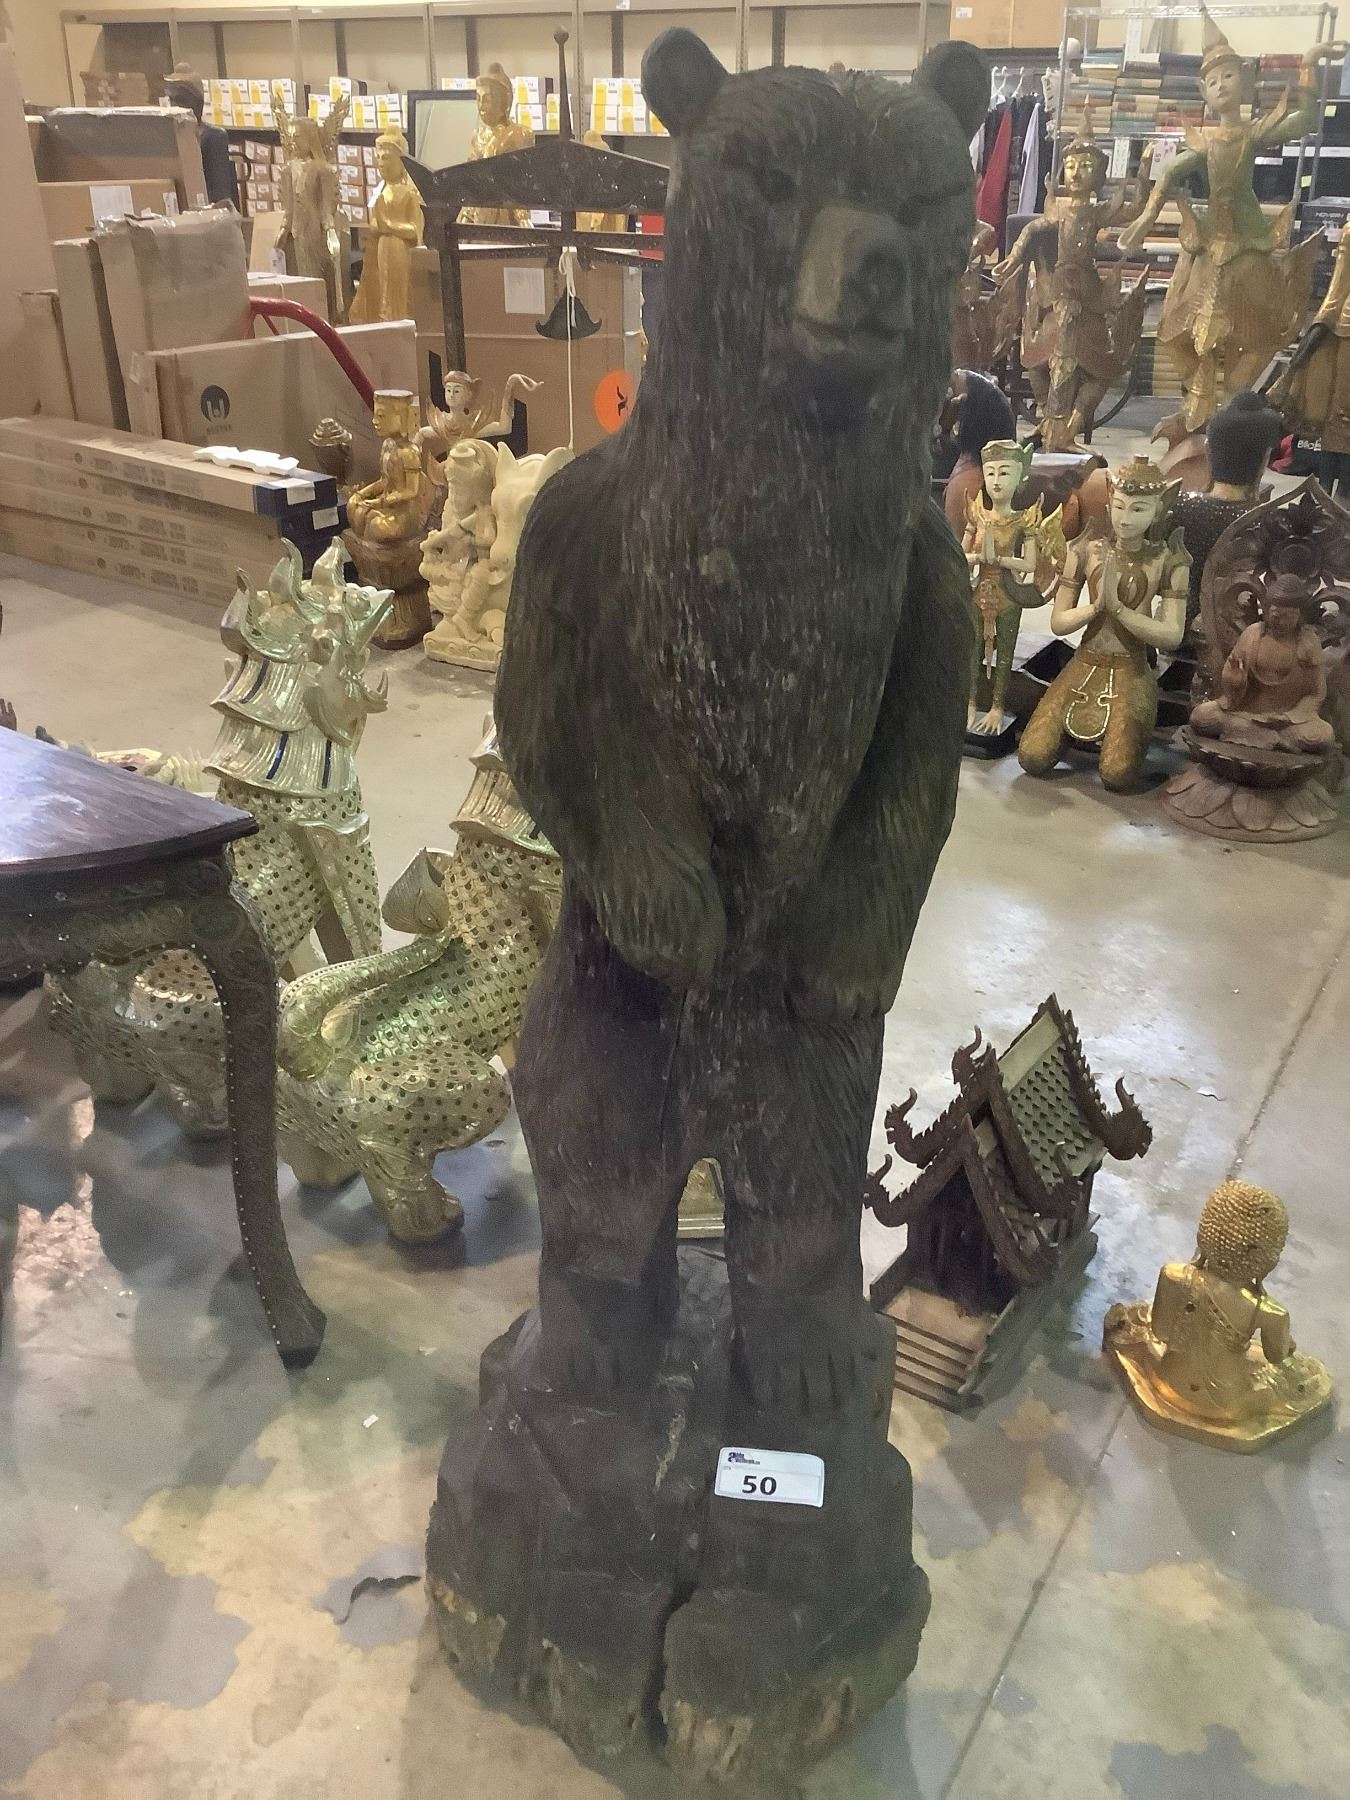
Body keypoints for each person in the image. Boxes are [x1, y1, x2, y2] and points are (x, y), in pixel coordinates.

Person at [165, 61, 239, 209]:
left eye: (180, 100)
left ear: (197, 102)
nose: (174, 105)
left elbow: (220, 194)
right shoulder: (171, 138)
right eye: (171, 100)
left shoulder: (212, 137)